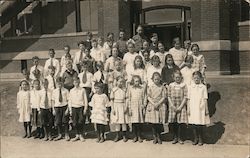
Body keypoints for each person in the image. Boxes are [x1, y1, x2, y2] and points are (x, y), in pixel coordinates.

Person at [188, 71, 210, 146]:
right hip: (193, 107)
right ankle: (195, 138)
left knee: (200, 124)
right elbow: (188, 98)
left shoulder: (203, 87)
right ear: (193, 79)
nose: (196, 79)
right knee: (194, 124)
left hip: (200, 107)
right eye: (195, 78)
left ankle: (201, 138)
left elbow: (205, 98)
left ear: (200, 78)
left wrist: (206, 109)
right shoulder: (190, 87)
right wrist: (188, 109)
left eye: (197, 78)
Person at [145, 72, 167, 144]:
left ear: (160, 79)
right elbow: (148, 96)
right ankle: (154, 136)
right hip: (152, 105)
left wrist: (158, 103)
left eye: (158, 79)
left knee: (159, 122)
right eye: (155, 79)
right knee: (153, 123)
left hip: (160, 105)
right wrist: (153, 103)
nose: (156, 80)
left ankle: (159, 136)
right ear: (152, 79)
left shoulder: (162, 87)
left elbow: (164, 97)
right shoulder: (150, 87)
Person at [168, 70, 188, 144]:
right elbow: (168, 96)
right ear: (173, 78)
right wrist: (172, 105)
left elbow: (185, 97)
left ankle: (180, 137)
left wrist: (180, 106)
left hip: (181, 106)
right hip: (173, 106)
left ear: (181, 77)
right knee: (174, 123)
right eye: (176, 77)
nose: (177, 79)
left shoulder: (183, 85)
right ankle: (175, 137)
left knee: (180, 123)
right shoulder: (171, 85)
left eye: (179, 77)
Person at [127, 75, 147, 143]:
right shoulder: (130, 88)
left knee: (139, 122)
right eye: (135, 81)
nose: (137, 83)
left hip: (140, 106)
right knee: (134, 122)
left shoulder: (142, 88)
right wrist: (129, 108)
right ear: (133, 81)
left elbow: (145, 97)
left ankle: (139, 135)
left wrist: (144, 105)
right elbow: (129, 98)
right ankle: (135, 136)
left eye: (138, 81)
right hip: (133, 106)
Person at [68, 77, 88, 142]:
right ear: (73, 83)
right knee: (75, 122)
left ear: (79, 82)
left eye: (77, 82)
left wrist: (85, 108)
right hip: (74, 107)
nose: (76, 83)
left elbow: (85, 99)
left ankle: (81, 135)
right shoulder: (71, 91)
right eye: (75, 82)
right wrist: (70, 109)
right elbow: (70, 100)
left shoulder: (82, 90)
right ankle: (77, 135)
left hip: (80, 107)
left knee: (81, 121)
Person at [110, 76, 128, 142]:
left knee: (123, 122)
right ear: (116, 82)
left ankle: (124, 135)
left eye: (122, 82)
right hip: (116, 106)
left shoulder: (125, 90)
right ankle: (117, 135)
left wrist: (126, 107)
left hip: (122, 105)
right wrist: (113, 108)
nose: (121, 83)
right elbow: (111, 100)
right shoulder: (114, 90)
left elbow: (127, 99)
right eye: (119, 81)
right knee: (117, 121)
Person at [52, 77, 70, 141]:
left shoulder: (66, 91)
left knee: (65, 121)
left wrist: (68, 109)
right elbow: (53, 101)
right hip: (57, 107)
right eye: (58, 84)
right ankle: (59, 134)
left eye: (61, 83)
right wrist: (53, 109)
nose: (59, 85)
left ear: (63, 83)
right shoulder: (54, 91)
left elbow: (68, 100)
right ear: (56, 84)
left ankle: (66, 134)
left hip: (64, 107)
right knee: (58, 121)